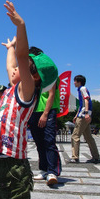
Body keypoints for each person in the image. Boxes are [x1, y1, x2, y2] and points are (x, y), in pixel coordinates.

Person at [0, 1, 58, 199]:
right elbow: (12, 64)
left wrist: (21, 26)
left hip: (13, 165)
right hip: (0, 161)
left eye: (21, 67)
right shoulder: (10, 90)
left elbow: (20, 57)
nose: (14, 69)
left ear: (33, 76)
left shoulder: (26, 91)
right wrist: (10, 48)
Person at [27, 47, 61, 185]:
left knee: (49, 141)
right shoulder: (34, 75)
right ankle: (44, 170)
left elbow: (51, 95)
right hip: (34, 111)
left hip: (48, 110)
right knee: (39, 142)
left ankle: (53, 171)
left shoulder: (49, 74)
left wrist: (45, 114)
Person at [69, 75, 100, 164]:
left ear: (79, 82)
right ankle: (96, 157)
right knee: (88, 137)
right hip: (83, 114)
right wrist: (76, 115)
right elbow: (81, 104)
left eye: (75, 81)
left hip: (83, 115)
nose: (74, 83)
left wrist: (86, 113)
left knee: (75, 136)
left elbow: (87, 100)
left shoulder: (82, 89)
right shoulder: (81, 89)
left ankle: (75, 157)